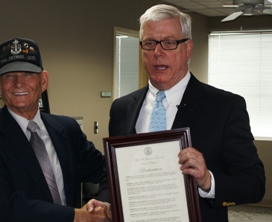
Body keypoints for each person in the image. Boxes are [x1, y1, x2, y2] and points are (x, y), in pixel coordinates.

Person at [108, 4, 265, 222]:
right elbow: (115, 176)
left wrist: (208, 181)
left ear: (188, 48)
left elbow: (254, 184)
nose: (158, 52)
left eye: (169, 43)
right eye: (150, 43)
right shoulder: (121, 108)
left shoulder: (225, 107)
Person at [0, 38, 111, 222]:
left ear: (44, 81)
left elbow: (107, 169)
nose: (18, 83)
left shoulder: (67, 129)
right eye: (9, 76)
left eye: (28, 74)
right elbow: (0, 204)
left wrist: (104, 205)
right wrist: (78, 216)